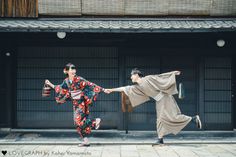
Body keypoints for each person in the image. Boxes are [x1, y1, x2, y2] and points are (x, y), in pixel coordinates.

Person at [104, 68, 202, 145]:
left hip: (165, 98)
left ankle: (193, 119)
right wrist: (111, 90)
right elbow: (125, 88)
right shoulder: (138, 87)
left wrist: (173, 73)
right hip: (159, 101)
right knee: (159, 119)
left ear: (136, 75)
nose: (131, 78)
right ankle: (160, 139)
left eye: (132, 76)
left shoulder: (148, 78)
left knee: (172, 117)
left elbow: (160, 77)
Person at [45, 63, 105, 146]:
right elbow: (59, 88)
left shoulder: (79, 79)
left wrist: (103, 89)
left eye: (74, 69)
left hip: (82, 103)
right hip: (75, 104)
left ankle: (95, 121)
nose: (73, 71)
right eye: (71, 69)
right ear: (66, 71)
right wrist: (50, 84)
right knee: (78, 123)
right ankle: (85, 141)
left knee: (78, 121)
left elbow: (90, 84)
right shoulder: (66, 81)